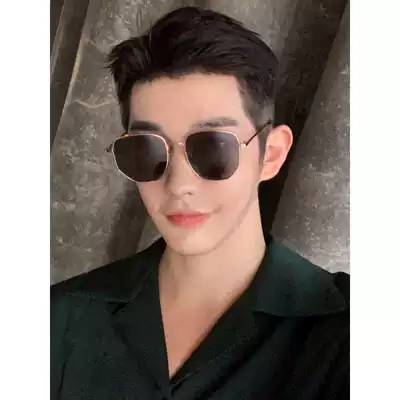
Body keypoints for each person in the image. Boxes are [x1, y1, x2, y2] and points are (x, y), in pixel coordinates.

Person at [51, 6, 349, 400]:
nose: (178, 185)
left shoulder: (350, 337)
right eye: (146, 150)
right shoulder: (59, 320)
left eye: (213, 147)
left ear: (272, 154)